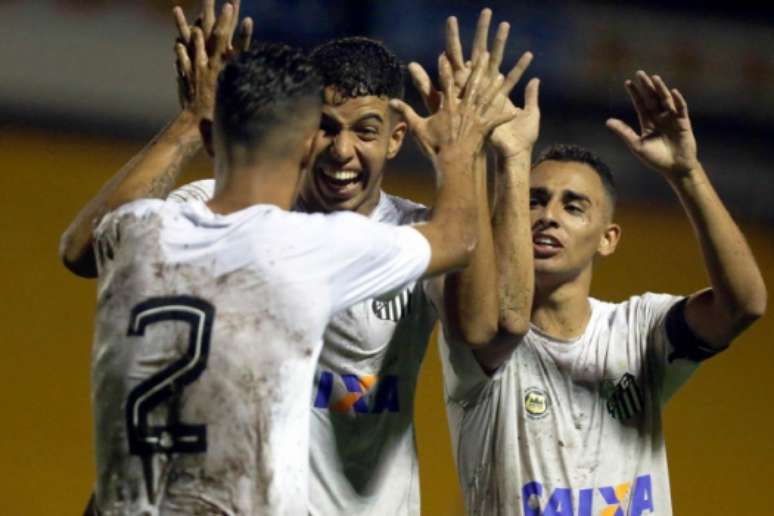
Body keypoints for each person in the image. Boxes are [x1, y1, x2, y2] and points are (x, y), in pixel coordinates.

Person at [58, 4, 536, 514]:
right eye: (328, 128)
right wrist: (466, 148)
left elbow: (484, 331)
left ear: (397, 138)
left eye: (366, 131)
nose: (342, 151)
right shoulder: (259, 222)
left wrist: (198, 117)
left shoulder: (175, 223)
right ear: (305, 133)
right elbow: (457, 236)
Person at [439, 71, 767, 515]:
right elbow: (503, 318)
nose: (547, 217)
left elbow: (743, 305)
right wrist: (509, 158)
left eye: (573, 206)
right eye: (534, 201)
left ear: (607, 239)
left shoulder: (638, 330)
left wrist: (687, 174)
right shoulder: (479, 332)